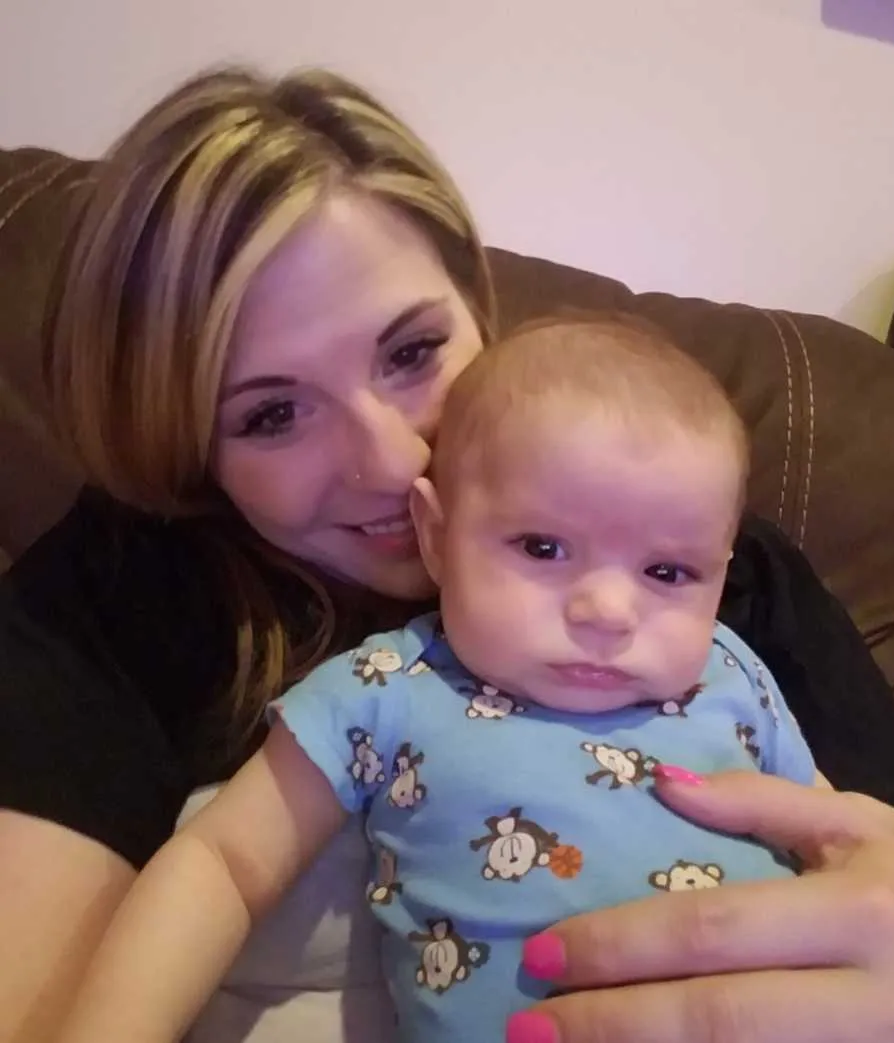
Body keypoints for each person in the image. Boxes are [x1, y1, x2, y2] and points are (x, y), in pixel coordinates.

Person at [2, 65, 894, 1043]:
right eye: (271, 413)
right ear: (187, 448)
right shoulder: (125, 588)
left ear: (477, 306)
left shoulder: (725, 578)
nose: (394, 464)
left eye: (411, 351)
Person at [57, 316, 831, 1043]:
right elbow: (223, 863)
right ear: (435, 533)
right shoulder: (385, 686)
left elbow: (841, 844)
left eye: (668, 571)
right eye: (542, 546)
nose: (607, 610)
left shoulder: (732, 672)